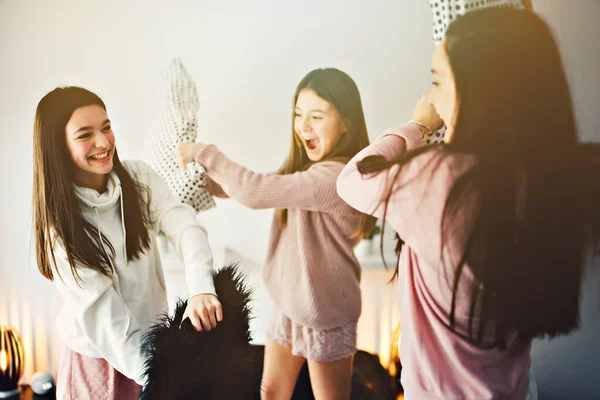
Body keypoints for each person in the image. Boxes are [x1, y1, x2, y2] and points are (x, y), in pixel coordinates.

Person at [337, 8, 599, 399]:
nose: (431, 98)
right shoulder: (556, 177)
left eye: (437, 82)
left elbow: (352, 179)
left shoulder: (441, 181)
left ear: (478, 91)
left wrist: (418, 125)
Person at [177, 68, 376, 399]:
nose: (303, 126)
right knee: (271, 394)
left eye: (317, 116)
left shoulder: (335, 178)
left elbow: (255, 192)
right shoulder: (309, 172)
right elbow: (264, 187)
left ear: (346, 123)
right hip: (291, 304)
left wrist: (203, 153)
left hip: (325, 314)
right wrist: (203, 185)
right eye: (299, 114)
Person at [32, 86, 223, 399]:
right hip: (100, 362)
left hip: (154, 346)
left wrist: (201, 287)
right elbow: (109, 324)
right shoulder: (60, 231)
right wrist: (161, 376)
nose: (103, 142)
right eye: (85, 134)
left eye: (106, 127)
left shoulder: (139, 178)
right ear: (58, 146)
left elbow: (185, 224)